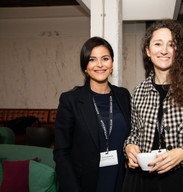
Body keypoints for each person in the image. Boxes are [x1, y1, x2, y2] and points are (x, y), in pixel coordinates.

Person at [122, 20, 183, 192]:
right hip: (139, 180)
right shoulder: (138, 92)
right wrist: (129, 147)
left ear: (178, 51)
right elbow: (134, 134)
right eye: (158, 44)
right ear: (148, 50)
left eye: (171, 45)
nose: (164, 50)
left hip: (180, 179)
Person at [53, 36, 131, 192]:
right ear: (85, 67)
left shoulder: (123, 96)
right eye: (92, 59)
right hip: (84, 184)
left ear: (112, 63)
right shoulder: (70, 100)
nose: (100, 64)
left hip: (119, 181)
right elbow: (61, 152)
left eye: (105, 58)